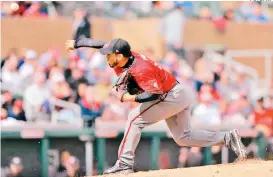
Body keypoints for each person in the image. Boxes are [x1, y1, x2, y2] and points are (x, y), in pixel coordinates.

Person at [65, 38, 247, 174]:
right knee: (183, 137)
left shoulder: (140, 69)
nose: (107, 57)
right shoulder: (127, 56)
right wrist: (78, 43)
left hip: (170, 95)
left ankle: (124, 164)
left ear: (119, 55)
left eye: (110, 55)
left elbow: (155, 93)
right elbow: (100, 43)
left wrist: (127, 98)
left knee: (134, 119)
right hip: (178, 92)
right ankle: (228, 138)